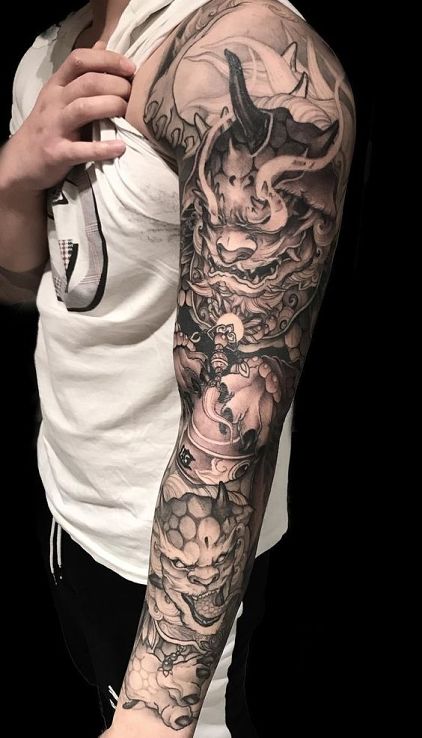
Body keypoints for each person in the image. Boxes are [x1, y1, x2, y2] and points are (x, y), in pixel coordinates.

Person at [0, 1, 355, 736]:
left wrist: (155, 717)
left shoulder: (245, 56)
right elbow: (25, 283)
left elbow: (233, 427)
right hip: (66, 498)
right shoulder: (51, 52)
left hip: (172, 578)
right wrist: (12, 176)